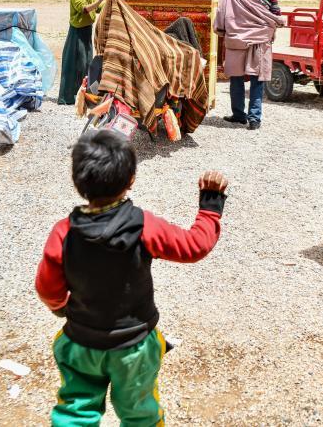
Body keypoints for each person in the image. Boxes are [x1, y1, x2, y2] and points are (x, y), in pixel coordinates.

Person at [35, 131, 229, 425]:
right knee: (140, 414)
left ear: (77, 182)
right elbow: (194, 246)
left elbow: (47, 288)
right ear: (131, 180)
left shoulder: (64, 232)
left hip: (80, 343)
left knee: (74, 412)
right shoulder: (144, 226)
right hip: (135, 346)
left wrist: (60, 307)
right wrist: (210, 206)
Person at [215, 0, 286, 130]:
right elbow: (276, 15)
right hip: (261, 41)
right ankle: (254, 119)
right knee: (257, 79)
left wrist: (222, 31)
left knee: (236, 78)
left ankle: (239, 115)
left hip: (237, 40)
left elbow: (221, 14)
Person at [58, 0, 107, 105]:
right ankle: (69, 96)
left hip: (86, 32)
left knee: (86, 63)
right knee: (76, 64)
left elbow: (97, 8)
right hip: (77, 34)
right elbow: (85, 9)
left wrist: (108, 2)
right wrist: (99, 0)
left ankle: (84, 95)